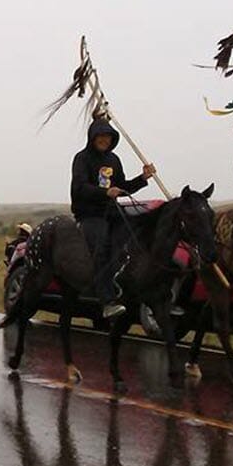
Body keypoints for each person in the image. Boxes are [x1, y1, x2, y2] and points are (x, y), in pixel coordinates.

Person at [71, 116, 156, 318]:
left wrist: (143, 179)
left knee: (133, 240)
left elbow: (122, 188)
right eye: (100, 136)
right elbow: (79, 188)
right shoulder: (82, 159)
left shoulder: (113, 160)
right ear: (92, 137)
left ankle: (127, 285)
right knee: (102, 247)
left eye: (107, 137)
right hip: (89, 213)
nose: (104, 140)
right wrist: (104, 193)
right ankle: (107, 301)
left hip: (112, 212)